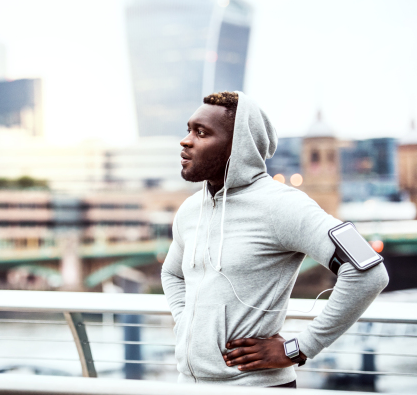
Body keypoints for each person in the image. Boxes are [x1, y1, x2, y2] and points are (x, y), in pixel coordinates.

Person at [161, 91, 389, 388]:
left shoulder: (283, 205)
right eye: (189, 130)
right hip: (188, 386)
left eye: (202, 133)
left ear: (238, 145)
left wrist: (299, 347)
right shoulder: (191, 209)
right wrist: (187, 322)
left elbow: (368, 271)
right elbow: (171, 272)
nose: (186, 140)